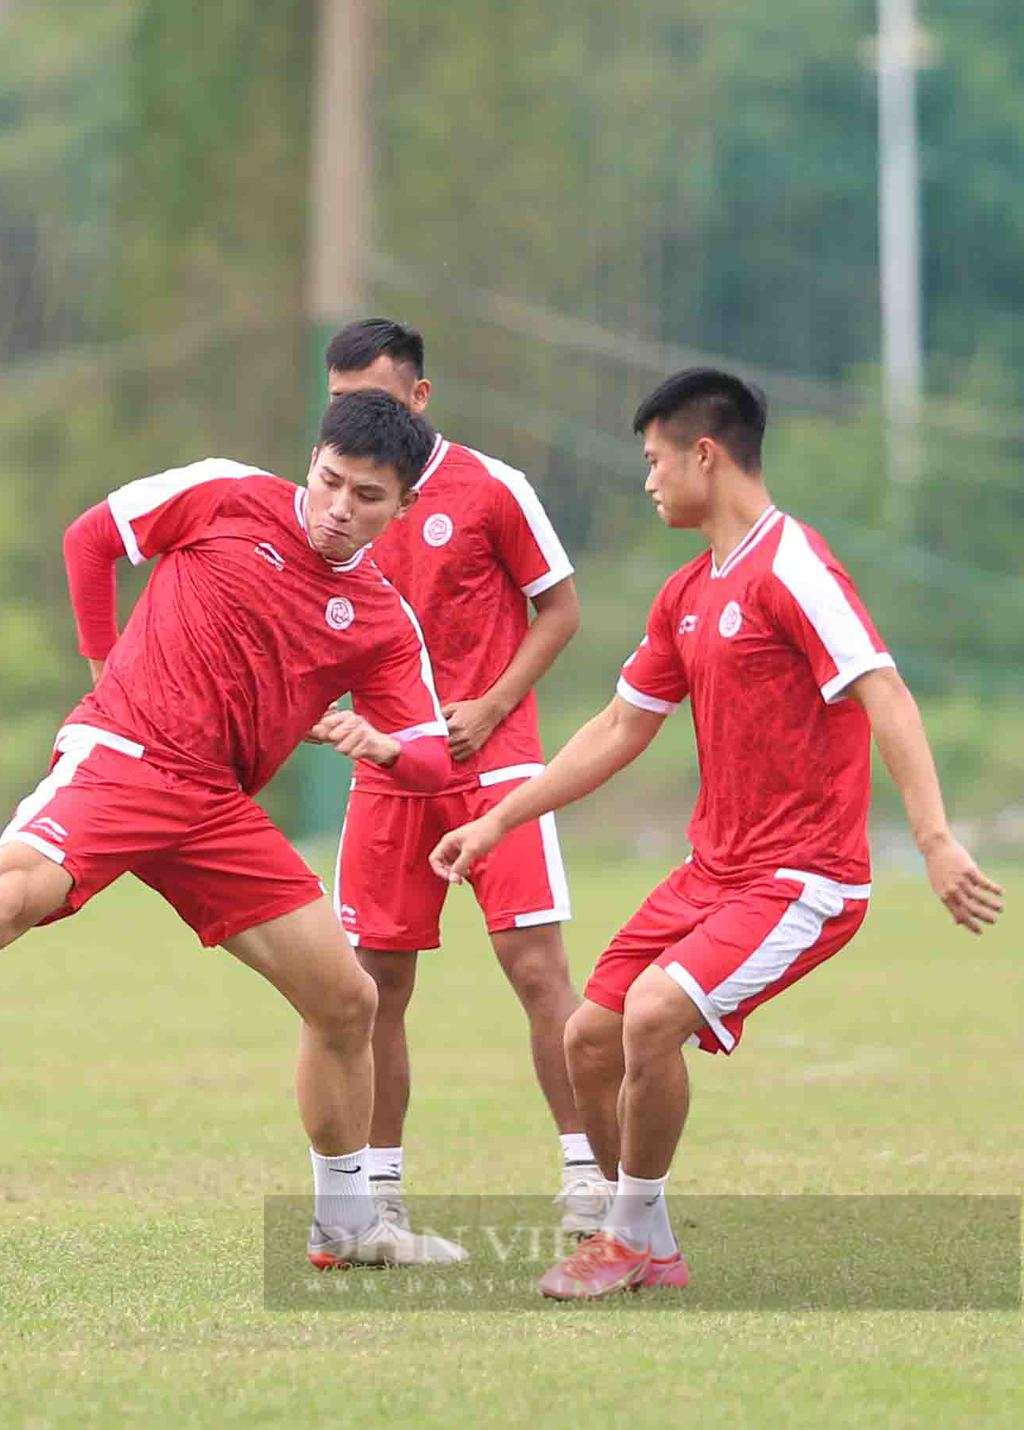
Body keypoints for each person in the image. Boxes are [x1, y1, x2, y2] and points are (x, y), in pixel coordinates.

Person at [0, 391, 471, 1268]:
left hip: (218, 808)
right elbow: (92, 538)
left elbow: (432, 760)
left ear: (405, 506)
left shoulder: (383, 622)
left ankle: (347, 1227)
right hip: (123, 754)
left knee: (348, 1001)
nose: (340, 508)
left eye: (367, 497)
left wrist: (378, 743)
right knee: (8, 899)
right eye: (330, 481)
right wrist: (99, 660)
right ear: (311, 461)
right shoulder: (225, 493)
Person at [431, 368, 1004, 1299]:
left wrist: (934, 840)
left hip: (804, 879)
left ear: (705, 453)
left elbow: (884, 693)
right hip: (713, 874)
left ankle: (621, 1244)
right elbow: (619, 729)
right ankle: (650, 1245)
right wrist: (497, 818)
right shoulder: (686, 593)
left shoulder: (794, 566)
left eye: (655, 460)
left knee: (653, 1017)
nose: (648, 479)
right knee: (588, 1038)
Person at [324, 318, 603, 1235]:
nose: (354, 418)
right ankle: (378, 1196)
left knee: (536, 972)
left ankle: (587, 1178)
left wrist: (490, 705)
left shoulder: (492, 488)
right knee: (372, 988)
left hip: (498, 765)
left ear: (418, 396)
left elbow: (559, 610)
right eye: (338, 404)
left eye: (371, 397)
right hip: (389, 773)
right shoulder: (335, 502)